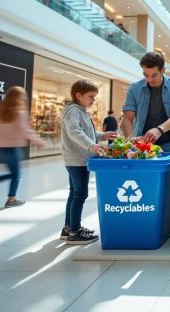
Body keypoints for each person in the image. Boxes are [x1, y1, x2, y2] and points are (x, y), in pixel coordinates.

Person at [61, 79, 117, 245]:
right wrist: (92, 145)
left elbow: (87, 131)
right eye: (91, 96)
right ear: (78, 95)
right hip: (77, 159)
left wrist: (101, 136)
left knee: (74, 193)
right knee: (80, 194)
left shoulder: (80, 110)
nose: (94, 100)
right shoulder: (74, 111)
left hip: (76, 158)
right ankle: (75, 232)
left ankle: (68, 227)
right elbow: (75, 132)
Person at [122, 51, 170, 152]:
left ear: (163, 70)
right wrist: (131, 138)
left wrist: (159, 130)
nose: (149, 79)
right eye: (146, 75)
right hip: (142, 145)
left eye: (154, 75)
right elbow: (127, 118)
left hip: (169, 144)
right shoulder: (134, 89)